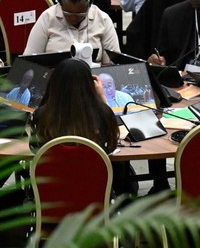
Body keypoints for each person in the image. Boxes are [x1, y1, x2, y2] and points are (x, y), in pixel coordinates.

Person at [29, 58, 137, 196]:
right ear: (90, 84)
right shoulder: (102, 113)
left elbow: (34, 150)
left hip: (53, 195)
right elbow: (111, 146)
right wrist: (102, 99)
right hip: (95, 195)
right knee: (124, 171)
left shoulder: (41, 115)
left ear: (54, 83)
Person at [23, 0, 120, 65]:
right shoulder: (48, 18)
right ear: (59, 4)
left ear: (90, 5)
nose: (73, 18)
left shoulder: (102, 19)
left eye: (80, 14)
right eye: (67, 13)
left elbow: (113, 64)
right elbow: (29, 60)